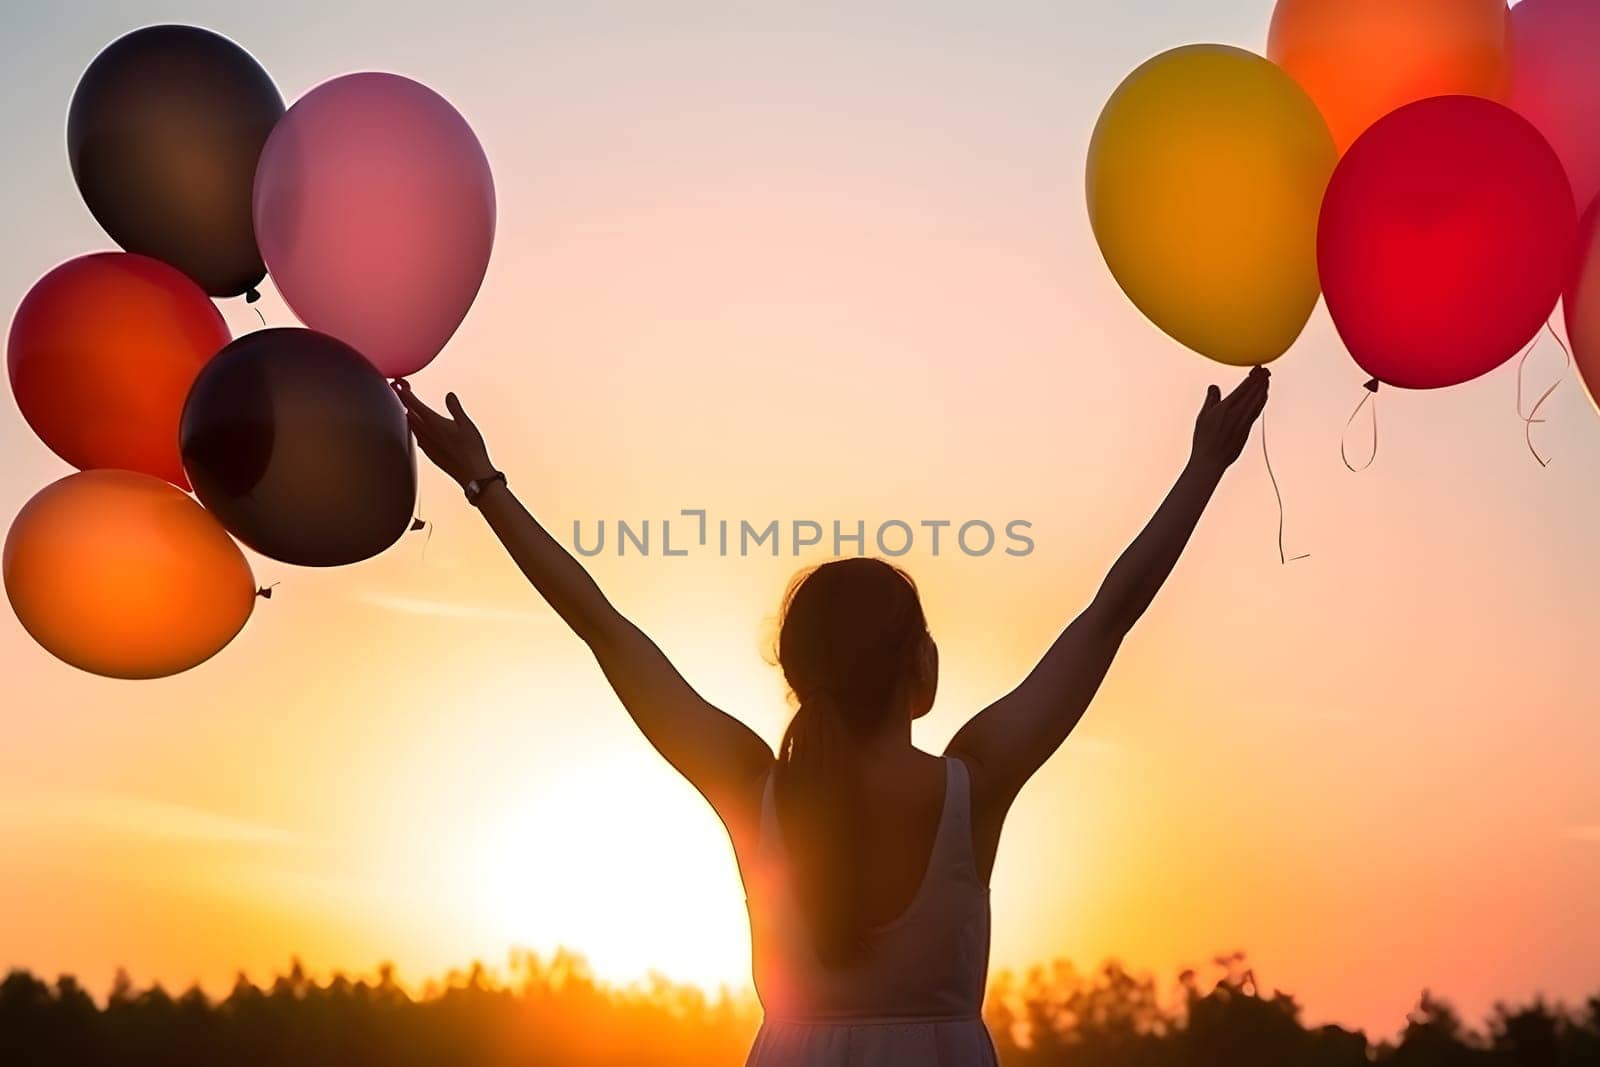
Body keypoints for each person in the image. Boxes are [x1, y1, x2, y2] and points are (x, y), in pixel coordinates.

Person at [395, 366, 1270, 1066]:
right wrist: (1202, 470)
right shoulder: (977, 780)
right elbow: (1108, 617)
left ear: (800, 673)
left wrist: (483, 481)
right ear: (915, 670)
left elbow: (606, 630)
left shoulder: (752, 786)